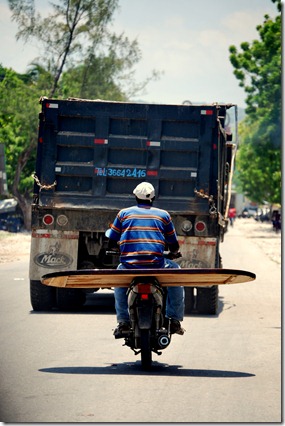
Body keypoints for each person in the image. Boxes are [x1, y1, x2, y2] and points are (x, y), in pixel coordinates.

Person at [107, 182, 185, 337]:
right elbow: (174, 245)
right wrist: (174, 252)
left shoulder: (123, 214)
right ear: (153, 197)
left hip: (129, 266)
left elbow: (111, 241)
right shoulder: (164, 215)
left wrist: (116, 249)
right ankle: (175, 320)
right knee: (177, 272)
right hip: (157, 264)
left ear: (135, 196)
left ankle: (123, 321)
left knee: (119, 282)